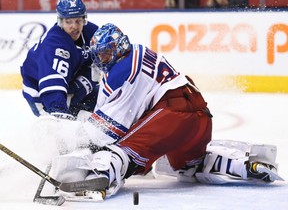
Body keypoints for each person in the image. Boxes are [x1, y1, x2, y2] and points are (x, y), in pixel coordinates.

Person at [49, 24, 283, 200]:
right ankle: (242, 165)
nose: (103, 60)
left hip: (172, 116)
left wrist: (75, 138)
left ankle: (99, 178)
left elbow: (109, 130)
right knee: (188, 165)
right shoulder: (140, 51)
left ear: (118, 48)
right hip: (200, 117)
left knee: (120, 153)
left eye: (106, 54)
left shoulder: (121, 72)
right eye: (101, 55)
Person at [20, 0, 99, 119]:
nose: (74, 26)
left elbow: (99, 63)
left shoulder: (91, 33)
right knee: (56, 124)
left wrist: (78, 87)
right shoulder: (55, 45)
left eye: (78, 20)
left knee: (99, 98)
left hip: (70, 81)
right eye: (69, 21)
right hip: (40, 92)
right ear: (60, 21)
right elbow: (52, 85)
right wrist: (59, 114)